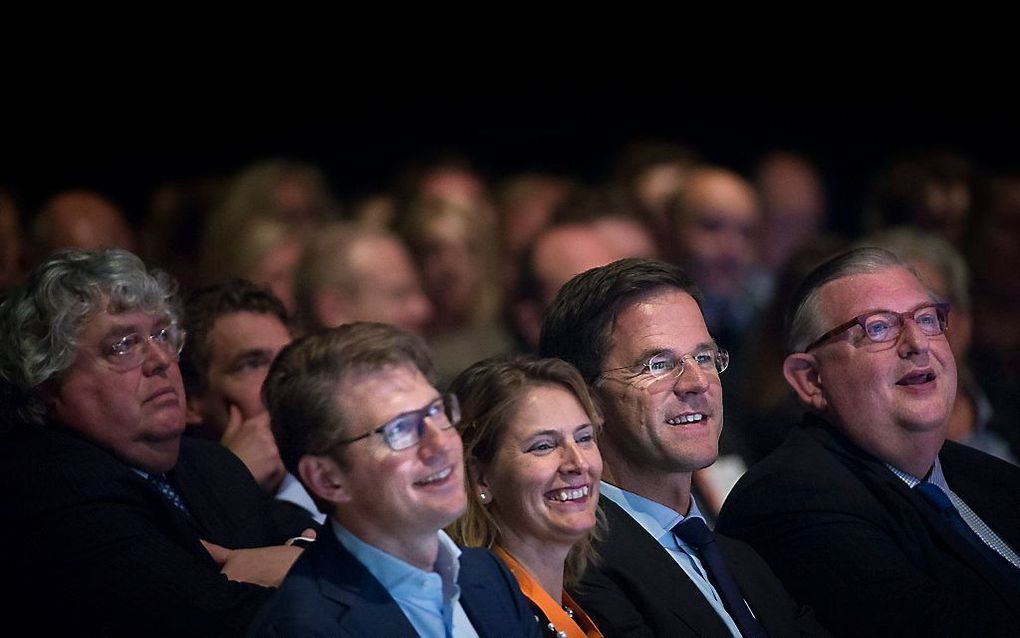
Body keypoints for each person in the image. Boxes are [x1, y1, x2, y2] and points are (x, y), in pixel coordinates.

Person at [0, 249, 314, 637]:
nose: (160, 359)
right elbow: (223, 623)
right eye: (123, 344)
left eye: (163, 335)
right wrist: (310, 574)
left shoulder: (208, 462)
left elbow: (332, 541)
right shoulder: (48, 490)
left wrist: (297, 553)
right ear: (48, 382)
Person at [716, 247, 1020, 636]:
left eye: (927, 319)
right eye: (879, 327)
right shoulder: (792, 499)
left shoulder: (989, 477)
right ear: (810, 379)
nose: (917, 343)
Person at [540, 258, 825, 637]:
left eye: (704, 357)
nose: (696, 382)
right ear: (585, 399)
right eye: (658, 364)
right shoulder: (575, 565)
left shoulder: (743, 558)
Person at [251, 322, 540, 637]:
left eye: (436, 412)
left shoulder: (486, 572)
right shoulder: (303, 627)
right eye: (400, 430)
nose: (441, 444)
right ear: (327, 479)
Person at [448, 355, 605, 638]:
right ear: (481, 477)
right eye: (543, 446)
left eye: (584, 438)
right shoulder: (477, 617)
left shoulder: (583, 601)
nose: (578, 463)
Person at [180, 279, 323, 522]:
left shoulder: (354, 474)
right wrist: (232, 481)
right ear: (190, 401)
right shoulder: (179, 506)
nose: (284, 374)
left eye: (290, 355)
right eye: (252, 364)